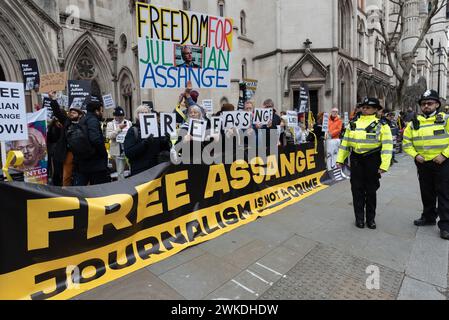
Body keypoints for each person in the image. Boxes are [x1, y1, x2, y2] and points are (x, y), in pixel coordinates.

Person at [336, 97, 394, 229]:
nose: (364, 109)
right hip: (356, 159)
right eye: (363, 107)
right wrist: (340, 159)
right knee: (357, 190)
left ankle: (371, 219)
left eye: (368, 107)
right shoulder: (353, 123)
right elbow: (345, 143)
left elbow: (387, 146)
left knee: (371, 190)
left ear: (375, 109)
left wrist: (384, 165)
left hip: (372, 160)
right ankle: (359, 218)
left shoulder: (382, 125)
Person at [402, 90, 449, 240]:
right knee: (426, 192)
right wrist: (415, 155)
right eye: (423, 104)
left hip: (442, 163)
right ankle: (428, 217)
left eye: (430, 103)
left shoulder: (446, 119)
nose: (426, 106)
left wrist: (444, 155)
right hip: (423, 164)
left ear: (437, 104)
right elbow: (406, 143)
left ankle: (445, 225)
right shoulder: (414, 123)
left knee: (444, 194)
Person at [71, 97, 111, 186]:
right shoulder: (93, 120)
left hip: (82, 161)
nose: (102, 113)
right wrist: (104, 154)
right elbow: (95, 140)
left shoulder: (82, 120)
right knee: (98, 190)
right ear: (96, 111)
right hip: (95, 163)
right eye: (101, 111)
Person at [48, 91, 84, 186]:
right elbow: (57, 112)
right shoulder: (67, 122)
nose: (71, 114)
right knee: (66, 175)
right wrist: (53, 99)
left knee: (81, 175)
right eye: (70, 112)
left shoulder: (84, 125)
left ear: (80, 115)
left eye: (74, 112)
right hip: (68, 153)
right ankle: (66, 191)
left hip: (81, 154)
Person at [124, 106, 171, 176]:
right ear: (137, 116)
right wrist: (144, 143)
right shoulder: (133, 130)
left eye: (146, 113)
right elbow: (129, 153)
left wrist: (166, 141)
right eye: (142, 113)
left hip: (156, 170)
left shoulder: (157, 130)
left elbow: (165, 150)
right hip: (140, 172)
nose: (144, 115)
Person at [106, 107, 132, 180]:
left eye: (122, 116)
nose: (120, 118)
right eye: (118, 116)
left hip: (128, 149)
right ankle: (121, 186)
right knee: (120, 172)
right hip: (118, 151)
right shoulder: (110, 124)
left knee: (132, 168)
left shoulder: (128, 123)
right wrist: (119, 129)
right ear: (114, 116)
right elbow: (109, 136)